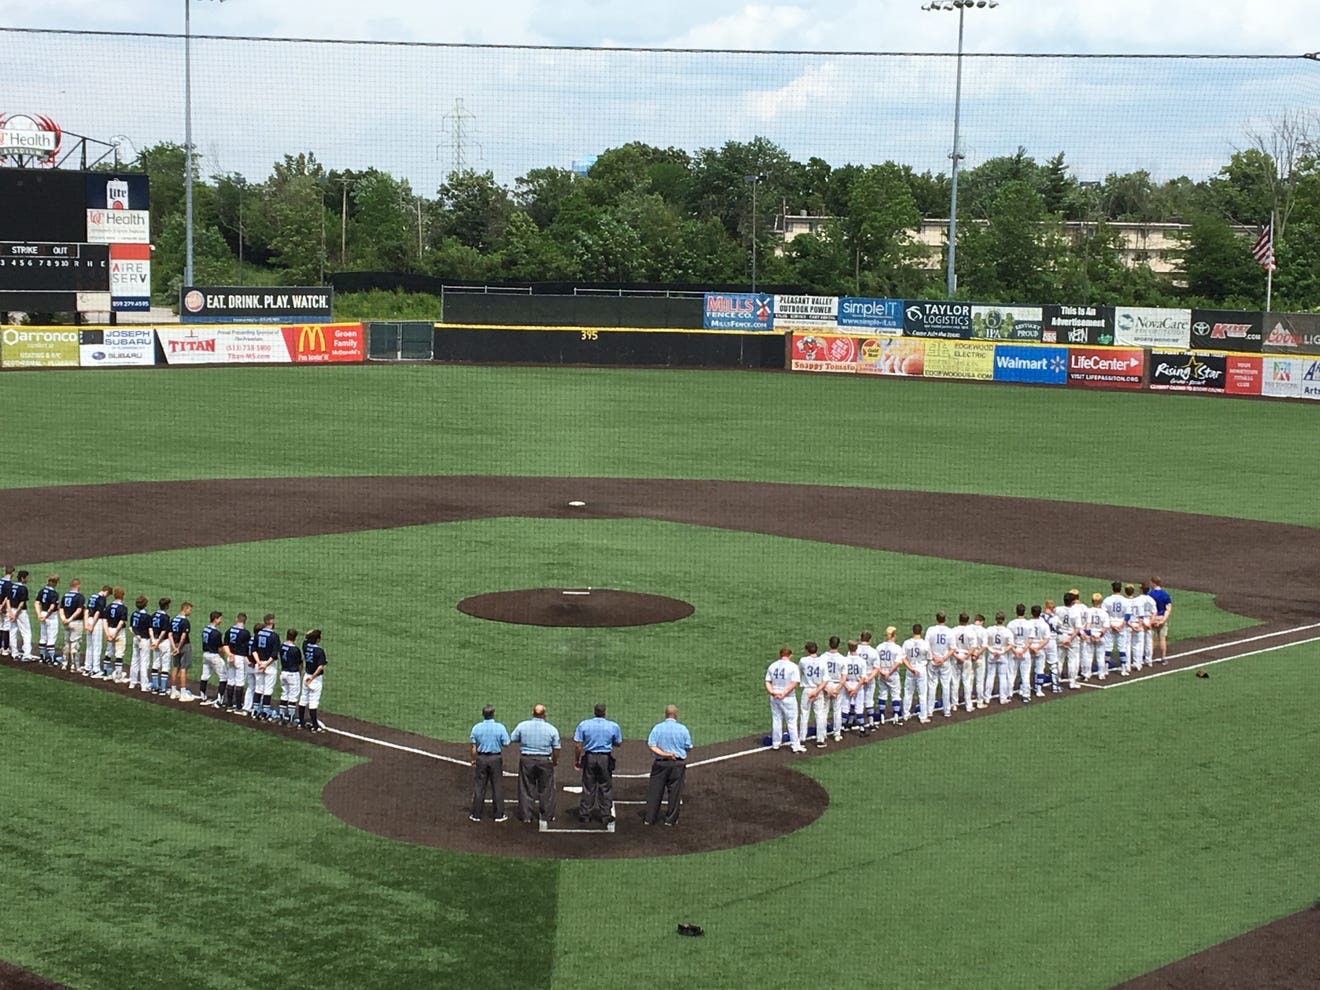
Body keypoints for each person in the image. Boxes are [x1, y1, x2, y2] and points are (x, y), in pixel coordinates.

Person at [643, 704, 692, 827]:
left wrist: (665, 754)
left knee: (655, 791)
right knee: (675, 792)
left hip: (660, 764)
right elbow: (689, 746)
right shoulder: (683, 729)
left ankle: (650, 818)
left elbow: (651, 745)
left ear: (666, 714)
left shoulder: (658, 728)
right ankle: (670, 820)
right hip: (677, 765)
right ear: (676, 715)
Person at [573, 702, 623, 823]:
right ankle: (605, 815)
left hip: (589, 757)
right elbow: (618, 743)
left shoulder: (584, 724)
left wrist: (577, 760)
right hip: (605, 759)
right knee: (605, 787)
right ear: (604, 712)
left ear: (594, 712)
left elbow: (578, 745)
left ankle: (585, 814)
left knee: (588, 786)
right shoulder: (613, 726)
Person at [510, 704, 560, 823]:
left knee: (526, 787)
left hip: (527, 760)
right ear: (544, 714)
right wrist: (555, 760)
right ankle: (547, 815)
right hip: (545, 760)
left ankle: (526, 816)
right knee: (546, 788)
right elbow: (556, 748)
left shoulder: (523, 726)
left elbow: (513, 738)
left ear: (532, 713)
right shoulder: (551, 729)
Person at [470, 705, 511, 823]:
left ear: (483, 714)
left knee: (479, 786)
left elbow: (473, 747)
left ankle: (476, 814)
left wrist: (473, 759)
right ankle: (499, 815)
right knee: (497, 786)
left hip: (481, 759)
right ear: (493, 714)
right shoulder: (500, 727)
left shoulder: (476, 727)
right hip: (495, 759)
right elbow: (507, 743)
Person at [765, 647, 805, 750]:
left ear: (780, 655)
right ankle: (795, 745)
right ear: (790, 656)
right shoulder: (793, 666)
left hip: (774, 697)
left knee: (776, 719)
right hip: (788, 697)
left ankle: (776, 743)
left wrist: (772, 692)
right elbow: (795, 682)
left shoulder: (772, 666)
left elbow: (767, 681)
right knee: (791, 721)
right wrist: (784, 693)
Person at [797, 641, 830, 747]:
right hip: (818, 690)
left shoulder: (803, 661)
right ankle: (820, 739)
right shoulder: (822, 661)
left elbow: (799, 671)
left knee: (804, 714)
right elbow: (825, 680)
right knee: (819, 714)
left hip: (807, 690)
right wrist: (817, 691)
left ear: (807, 650)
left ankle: (802, 738)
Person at [925, 612, 955, 718]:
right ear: (945, 619)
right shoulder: (950, 631)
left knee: (932, 685)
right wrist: (942, 659)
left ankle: (929, 711)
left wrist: (934, 657)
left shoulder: (930, 630)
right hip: (945, 662)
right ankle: (947, 711)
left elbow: (927, 646)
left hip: (933, 662)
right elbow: (952, 649)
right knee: (946, 686)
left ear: (936, 619)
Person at [250, 614, 280, 719]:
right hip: (269, 666)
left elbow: (253, 649)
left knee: (258, 688)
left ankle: (255, 711)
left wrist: (259, 663)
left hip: (259, 664)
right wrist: (266, 664)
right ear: (271, 621)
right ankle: (265, 713)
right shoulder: (274, 636)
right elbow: (275, 654)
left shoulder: (258, 634)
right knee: (268, 689)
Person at [900, 624, 931, 724]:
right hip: (921, 669)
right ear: (921, 632)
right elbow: (929, 657)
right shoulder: (925, 644)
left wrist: (911, 668)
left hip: (910, 669)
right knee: (922, 694)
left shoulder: (906, 643)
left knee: (908, 692)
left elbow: (903, 658)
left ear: (913, 631)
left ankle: (905, 714)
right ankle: (923, 717)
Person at [222, 612, 252, 712]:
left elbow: (225, 644)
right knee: (240, 682)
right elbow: (248, 648)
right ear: (245, 621)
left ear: (236, 619)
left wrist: (229, 654)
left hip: (230, 657)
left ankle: (229, 704)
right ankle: (238, 706)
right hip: (240, 658)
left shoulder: (229, 630)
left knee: (230, 680)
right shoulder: (245, 633)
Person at [298, 628, 327, 731]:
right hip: (315, 679)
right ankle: (315, 726)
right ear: (318, 639)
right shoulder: (319, 651)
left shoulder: (305, 647)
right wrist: (313, 677)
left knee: (303, 699)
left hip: (306, 676)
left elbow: (306, 638)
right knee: (313, 702)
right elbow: (320, 667)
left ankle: (301, 723)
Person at [874, 627, 904, 724]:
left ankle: (882, 715)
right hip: (893, 674)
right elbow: (897, 663)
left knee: (882, 693)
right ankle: (896, 716)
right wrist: (889, 672)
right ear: (894, 636)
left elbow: (876, 663)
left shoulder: (879, 647)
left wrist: (883, 672)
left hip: (882, 673)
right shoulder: (897, 648)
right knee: (895, 694)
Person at [821, 635, 847, 742]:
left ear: (829, 644)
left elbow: (820, 674)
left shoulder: (822, 657)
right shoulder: (842, 658)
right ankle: (837, 734)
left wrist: (825, 689)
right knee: (837, 710)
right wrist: (837, 689)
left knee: (824, 710)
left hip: (826, 684)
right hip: (837, 684)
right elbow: (844, 677)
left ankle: (822, 734)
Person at [986, 611, 1015, 703]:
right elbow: (1011, 645)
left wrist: (992, 651)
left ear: (996, 619)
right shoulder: (1007, 631)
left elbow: (985, 643)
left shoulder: (989, 629)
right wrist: (1001, 651)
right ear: (1003, 620)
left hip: (992, 655)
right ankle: (1003, 698)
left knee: (990, 676)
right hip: (1003, 656)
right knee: (1002, 677)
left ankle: (987, 697)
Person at [169, 601, 196, 702]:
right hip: (184, 646)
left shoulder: (173, 620)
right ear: (185, 609)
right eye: (190, 609)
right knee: (183, 668)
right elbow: (183, 636)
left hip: (174, 644)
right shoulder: (185, 622)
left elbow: (170, 634)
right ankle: (183, 693)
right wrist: (179, 648)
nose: (190, 611)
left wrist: (174, 647)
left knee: (175, 667)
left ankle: (173, 691)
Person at [197, 611, 226, 704]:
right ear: (215, 619)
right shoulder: (216, 633)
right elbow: (220, 648)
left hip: (206, 655)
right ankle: (220, 699)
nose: (221, 620)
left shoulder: (205, 629)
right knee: (223, 677)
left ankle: (202, 695)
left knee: (205, 675)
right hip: (214, 656)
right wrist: (222, 656)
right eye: (220, 618)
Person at [59, 577, 86, 673]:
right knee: (75, 644)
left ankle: (64, 663)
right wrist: (70, 619)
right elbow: (79, 610)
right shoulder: (80, 597)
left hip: (65, 622)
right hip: (76, 622)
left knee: (66, 644)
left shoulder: (65, 595)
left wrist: (64, 619)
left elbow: (61, 609)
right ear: (78, 586)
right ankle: (74, 666)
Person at [1007, 604, 1033, 702]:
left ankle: (1008, 694)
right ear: (1024, 612)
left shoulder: (1011, 624)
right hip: (1024, 651)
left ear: (1016, 611)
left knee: (1011, 673)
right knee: (1025, 674)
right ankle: (1026, 695)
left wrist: (1015, 651)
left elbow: (1009, 640)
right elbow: (1030, 640)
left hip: (1013, 651)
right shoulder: (1029, 624)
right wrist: (1022, 650)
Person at [841, 640, 868, 733]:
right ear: (857, 648)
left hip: (847, 684)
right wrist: (856, 689)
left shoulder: (844, 660)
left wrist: (848, 688)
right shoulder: (862, 661)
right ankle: (862, 728)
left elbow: (841, 676)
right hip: (858, 685)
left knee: (845, 707)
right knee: (859, 707)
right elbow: (863, 677)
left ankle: (842, 727)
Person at [83, 584, 110, 677]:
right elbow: (98, 612)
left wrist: (86, 624)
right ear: (106, 592)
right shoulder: (102, 598)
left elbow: (86, 610)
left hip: (89, 619)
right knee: (97, 645)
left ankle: (87, 668)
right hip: (96, 621)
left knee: (89, 646)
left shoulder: (92, 596)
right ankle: (96, 669)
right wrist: (92, 625)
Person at [857, 631, 881, 730]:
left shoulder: (855, 650)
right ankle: (871, 723)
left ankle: (856, 723)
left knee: (858, 702)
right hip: (869, 677)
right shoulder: (873, 651)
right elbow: (877, 668)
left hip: (858, 679)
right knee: (869, 700)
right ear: (869, 640)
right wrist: (869, 678)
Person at [276, 627, 302, 722]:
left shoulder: (282, 646)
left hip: (283, 672)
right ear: (295, 637)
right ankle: (291, 719)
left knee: (284, 694)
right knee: (293, 697)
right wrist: (300, 673)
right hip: (293, 674)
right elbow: (300, 663)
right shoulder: (295, 649)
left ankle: (281, 717)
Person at [1102, 581, 1127, 674]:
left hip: (1110, 625)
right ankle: (1124, 668)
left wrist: (1111, 625)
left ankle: (1105, 668)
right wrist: (1121, 625)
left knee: (1108, 647)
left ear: (1113, 589)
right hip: (1122, 626)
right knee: (1122, 647)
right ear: (1120, 589)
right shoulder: (1125, 600)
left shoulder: (1107, 600)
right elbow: (1127, 615)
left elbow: (1104, 614)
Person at [104, 588, 129, 682]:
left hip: (109, 629)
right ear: (122, 596)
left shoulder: (109, 606)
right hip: (119, 632)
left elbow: (105, 620)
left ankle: (106, 673)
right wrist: (115, 633)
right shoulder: (123, 608)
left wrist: (107, 633)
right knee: (119, 653)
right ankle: (118, 676)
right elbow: (121, 622)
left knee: (108, 651)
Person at [128, 595, 153, 691]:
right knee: (144, 663)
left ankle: (132, 682)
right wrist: (153, 641)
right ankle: (144, 685)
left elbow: (131, 628)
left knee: (134, 660)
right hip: (144, 640)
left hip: (136, 639)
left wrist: (136, 635)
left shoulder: (134, 614)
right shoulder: (147, 616)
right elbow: (150, 630)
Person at [148, 597, 172, 695]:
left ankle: (155, 686)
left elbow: (150, 628)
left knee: (155, 663)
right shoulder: (166, 617)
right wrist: (158, 642)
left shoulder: (153, 615)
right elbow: (164, 631)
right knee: (165, 665)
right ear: (166, 606)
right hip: (163, 642)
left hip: (154, 640)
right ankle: (162, 689)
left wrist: (154, 641)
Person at [35, 574, 60, 665]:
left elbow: (37, 602)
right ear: (53, 582)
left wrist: (39, 614)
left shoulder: (42, 591)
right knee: (52, 637)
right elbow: (52, 607)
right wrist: (47, 616)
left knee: (43, 636)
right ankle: (52, 660)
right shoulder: (54, 593)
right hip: (51, 616)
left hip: (43, 613)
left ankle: (42, 658)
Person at [1148, 577, 1173, 663]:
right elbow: (1168, 609)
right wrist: (1162, 621)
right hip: (1162, 617)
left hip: (1152, 617)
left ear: (1154, 583)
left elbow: (1148, 609)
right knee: (1162, 639)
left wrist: (1152, 620)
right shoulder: (1165, 594)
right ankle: (1163, 658)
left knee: (1151, 639)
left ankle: (1149, 658)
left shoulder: (1149, 594)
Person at [9, 570, 32, 661]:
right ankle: (27, 654)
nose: (27, 579)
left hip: (11, 610)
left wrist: (10, 612)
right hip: (20, 612)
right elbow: (22, 603)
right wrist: (15, 614)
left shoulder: (11, 586)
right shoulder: (23, 588)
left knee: (12, 631)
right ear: (23, 578)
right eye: (26, 577)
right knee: (26, 632)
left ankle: (14, 653)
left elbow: (7, 600)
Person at [1085, 593, 1109, 680]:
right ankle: (1101, 674)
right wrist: (1099, 636)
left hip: (1090, 635)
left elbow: (1087, 625)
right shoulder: (1104, 613)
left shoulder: (1088, 611)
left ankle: (1087, 674)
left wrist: (1090, 635)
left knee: (1088, 656)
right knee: (1100, 656)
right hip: (1100, 636)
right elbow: (1105, 627)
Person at [1136, 582, 1158, 668]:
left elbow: (1136, 612)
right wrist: (1150, 623)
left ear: (1141, 589)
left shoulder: (1137, 599)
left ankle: (1140, 661)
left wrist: (1143, 623)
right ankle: (1149, 660)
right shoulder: (1151, 600)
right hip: (1148, 620)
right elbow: (1154, 612)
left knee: (1140, 642)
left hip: (1140, 620)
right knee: (1148, 642)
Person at [0, 564, 14, 657]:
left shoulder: (0, 581)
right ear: (12, 573)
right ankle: (5, 648)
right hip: (3, 607)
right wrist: (1, 606)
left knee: (0, 626)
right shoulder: (9, 584)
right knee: (6, 627)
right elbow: (7, 597)